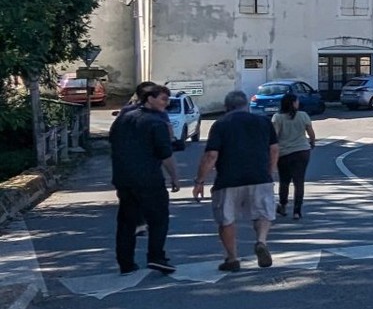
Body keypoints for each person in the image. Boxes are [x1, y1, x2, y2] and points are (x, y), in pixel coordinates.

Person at [193, 89, 279, 272]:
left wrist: (200, 181)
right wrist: (269, 171)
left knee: (226, 219)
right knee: (263, 214)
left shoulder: (221, 124)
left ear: (227, 107)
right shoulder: (264, 122)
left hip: (228, 179)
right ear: (246, 105)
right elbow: (274, 149)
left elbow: (211, 155)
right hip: (260, 176)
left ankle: (232, 258)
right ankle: (261, 241)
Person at [108, 83, 180, 275]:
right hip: (148, 179)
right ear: (150, 99)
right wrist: (174, 177)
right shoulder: (157, 123)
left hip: (123, 178)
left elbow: (112, 142)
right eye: (163, 99)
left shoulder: (123, 119)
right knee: (158, 218)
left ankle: (125, 262)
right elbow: (165, 154)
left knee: (126, 221)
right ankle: (156, 256)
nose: (166, 103)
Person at [272, 92, 316, 219]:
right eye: (296, 101)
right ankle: (297, 211)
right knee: (299, 181)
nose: (298, 103)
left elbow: (274, 135)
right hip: (302, 151)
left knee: (284, 181)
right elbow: (311, 133)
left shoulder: (277, 117)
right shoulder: (303, 115)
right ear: (293, 103)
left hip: (284, 153)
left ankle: (283, 205)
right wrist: (312, 142)